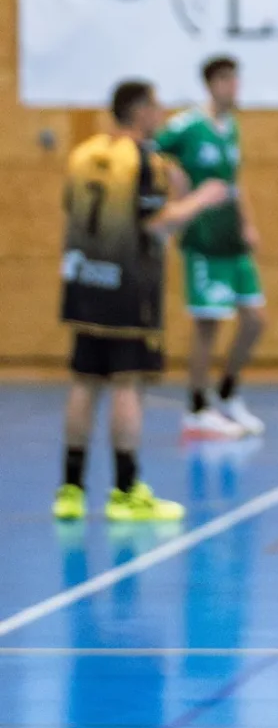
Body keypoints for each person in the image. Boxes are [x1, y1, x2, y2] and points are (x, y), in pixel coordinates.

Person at [55, 79, 232, 522]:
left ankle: (71, 490)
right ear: (139, 112)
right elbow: (156, 222)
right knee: (126, 383)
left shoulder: (84, 153)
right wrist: (200, 200)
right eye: (156, 107)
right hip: (127, 287)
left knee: (84, 380)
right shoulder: (144, 161)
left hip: (83, 279)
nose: (163, 114)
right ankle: (125, 490)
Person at [156, 55, 266, 439]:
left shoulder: (230, 127)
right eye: (226, 80)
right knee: (209, 324)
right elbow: (150, 149)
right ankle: (197, 407)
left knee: (255, 320)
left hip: (233, 239)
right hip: (202, 239)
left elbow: (235, 181)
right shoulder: (188, 125)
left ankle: (228, 392)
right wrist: (177, 179)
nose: (233, 87)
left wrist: (248, 223)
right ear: (210, 84)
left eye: (236, 79)